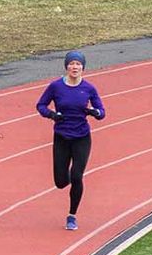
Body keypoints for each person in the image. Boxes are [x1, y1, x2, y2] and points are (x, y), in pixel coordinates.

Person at [36, 50, 105, 231]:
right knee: (60, 182)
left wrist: (94, 112)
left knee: (76, 176)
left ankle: (72, 216)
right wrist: (51, 114)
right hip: (61, 137)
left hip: (82, 137)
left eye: (78, 64)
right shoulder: (56, 87)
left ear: (83, 68)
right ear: (66, 66)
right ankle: (67, 175)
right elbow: (41, 105)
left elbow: (102, 112)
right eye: (72, 64)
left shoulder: (89, 88)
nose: (75, 67)